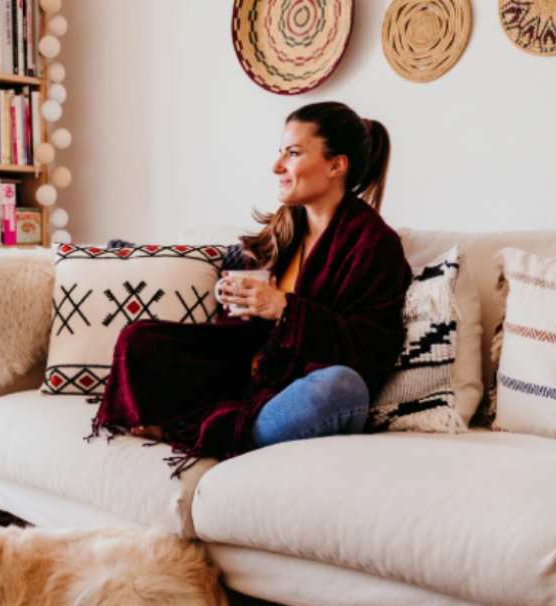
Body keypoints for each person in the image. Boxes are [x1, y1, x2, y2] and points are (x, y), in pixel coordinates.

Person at [89, 101, 412, 476]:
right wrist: (239, 305)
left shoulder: (373, 243)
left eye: (292, 154)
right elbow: (252, 337)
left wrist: (285, 310)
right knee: (140, 339)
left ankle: (211, 432)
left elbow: (371, 348)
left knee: (340, 387)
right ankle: (215, 426)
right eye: (280, 152)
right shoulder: (285, 228)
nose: (277, 167)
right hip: (258, 372)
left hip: (310, 385)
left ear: (336, 165)